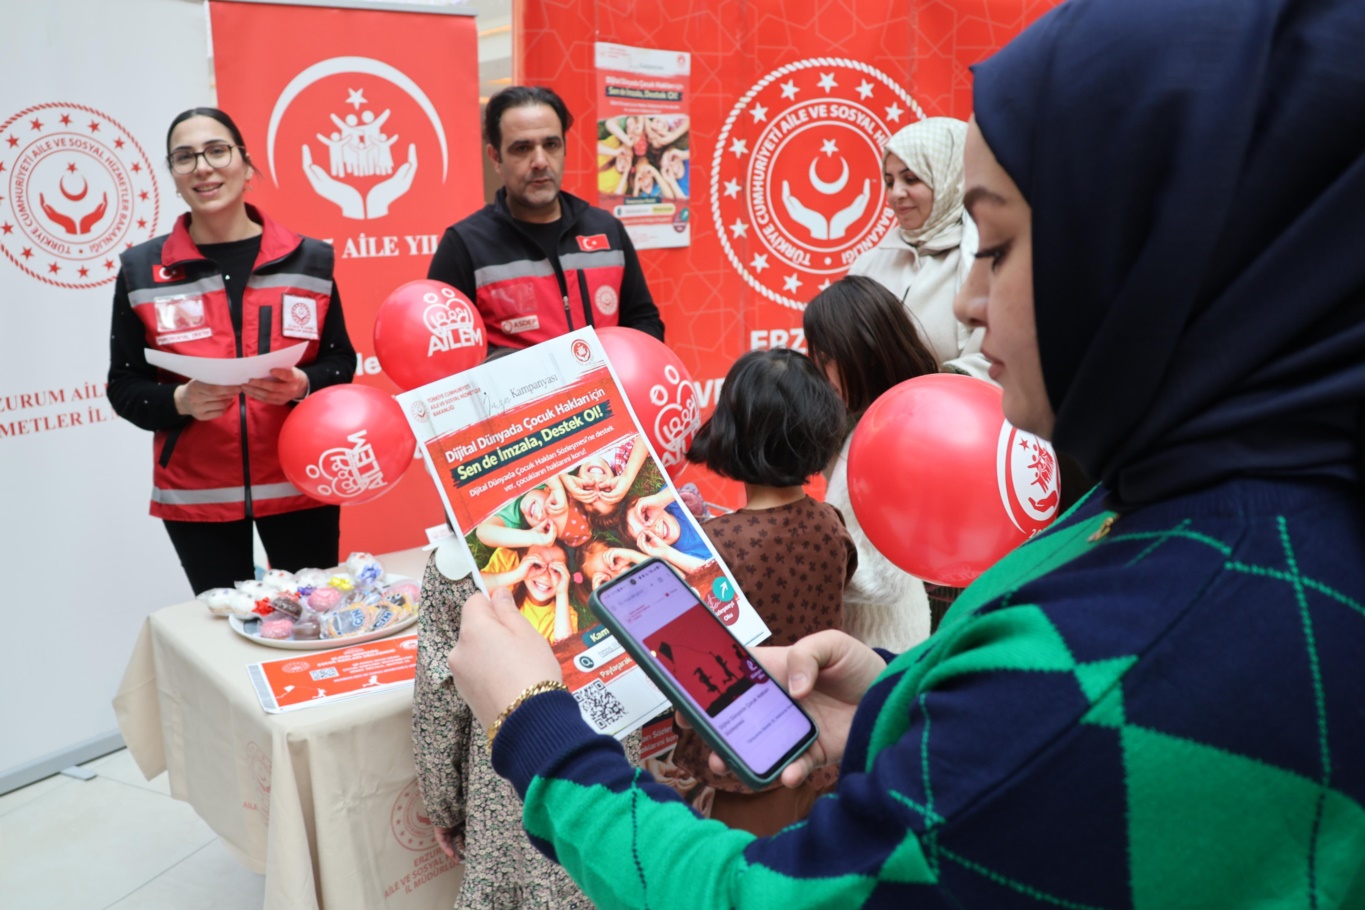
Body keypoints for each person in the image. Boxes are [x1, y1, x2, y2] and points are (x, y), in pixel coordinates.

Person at [442, 0, 1365, 906]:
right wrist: (895, 705)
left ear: (1157, 253)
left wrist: (536, 727)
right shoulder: (1204, 498)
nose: (965, 302)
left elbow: (765, 898)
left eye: (995, 245)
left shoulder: (1140, 644)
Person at [108, 107, 356, 595]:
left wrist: (303, 384)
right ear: (174, 175)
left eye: (217, 151)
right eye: (185, 157)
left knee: (312, 621)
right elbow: (124, 385)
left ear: (245, 163)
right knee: (220, 629)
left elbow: (340, 361)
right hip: (198, 496)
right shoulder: (141, 270)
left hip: (303, 482)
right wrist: (180, 400)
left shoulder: (309, 259)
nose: (203, 167)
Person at [676, 348, 857, 835]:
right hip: (822, 745)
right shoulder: (831, 524)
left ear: (731, 431)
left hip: (745, 758)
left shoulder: (715, 546)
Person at [411, 554, 641, 910]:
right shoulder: (604, 557)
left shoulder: (454, 567)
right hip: (609, 769)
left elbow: (439, 705)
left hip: (507, 785)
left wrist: (445, 807)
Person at [426, 86, 664, 352]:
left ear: (564, 148)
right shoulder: (464, 246)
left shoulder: (607, 229)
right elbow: (448, 352)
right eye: (522, 148)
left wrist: (622, 361)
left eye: (551, 145)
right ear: (495, 158)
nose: (540, 161)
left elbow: (644, 320)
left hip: (608, 380)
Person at [804, 275, 939, 648]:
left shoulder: (892, 443)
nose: (819, 373)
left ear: (863, 355)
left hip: (881, 650)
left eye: (826, 359)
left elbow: (886, 580)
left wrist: (797, 553)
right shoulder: (870, 426)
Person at [848, 116, 988, 378]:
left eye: (911, 179)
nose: (896, 194)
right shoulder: (871, 262)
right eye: (890, 181)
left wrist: (926, 391)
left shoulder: (986, 258)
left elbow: (999, 360)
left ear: (952, 178)